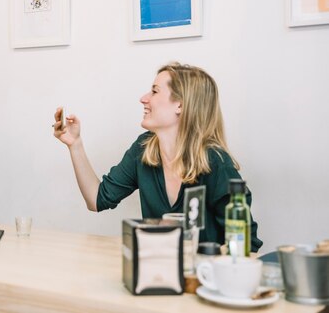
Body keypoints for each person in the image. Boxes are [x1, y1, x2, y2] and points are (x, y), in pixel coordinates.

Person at [53, 62, 262, 251]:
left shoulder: (215, 163)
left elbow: (246, 245)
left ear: (180, 104)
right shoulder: (143, 149)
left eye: (154, 91)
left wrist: (202, 260)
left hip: (202, 281)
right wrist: (75, 145)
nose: (143, 98)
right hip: (159, 274)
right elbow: (97, 200)